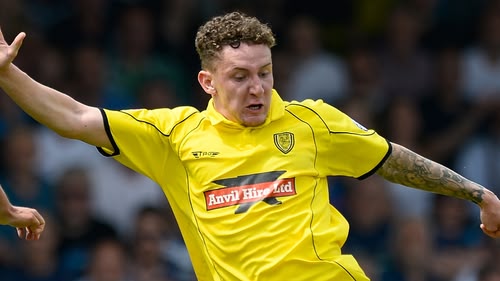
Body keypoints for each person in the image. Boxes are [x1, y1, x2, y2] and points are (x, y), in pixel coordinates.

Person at [0, 11, 500, 281]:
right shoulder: (173, 136)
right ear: (207, 82)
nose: (257, 87)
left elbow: (391, 159)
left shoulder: (312, 122)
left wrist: (477, 194)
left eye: (265, 73)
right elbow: (74, 116)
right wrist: (7, 73)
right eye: (240, 76)